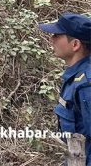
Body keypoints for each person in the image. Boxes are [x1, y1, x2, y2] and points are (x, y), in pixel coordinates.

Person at [39, 12, 91, 164]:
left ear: (75, 44)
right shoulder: (75, 77)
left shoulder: (86, 85)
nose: (51, 39)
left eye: (57, 35)